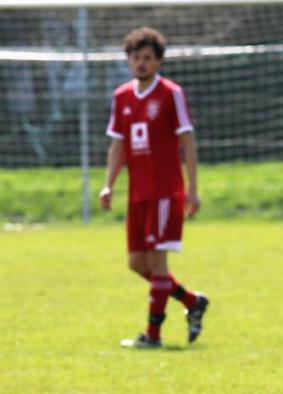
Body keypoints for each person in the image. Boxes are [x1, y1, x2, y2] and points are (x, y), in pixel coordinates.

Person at [100, 26, 208, 349]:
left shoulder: (171, 93)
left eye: (148, 58)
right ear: (129, 60)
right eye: (136, 58)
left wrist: (192, 189)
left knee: (158, 264)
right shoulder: (122, 97)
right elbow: (117, 146)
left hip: (165, 190)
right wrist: (108, 185)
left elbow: (187, 141)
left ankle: (153, 335)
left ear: (158, 61)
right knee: (136, 263)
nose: (141, 64)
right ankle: (191, 300)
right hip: (138, 192)